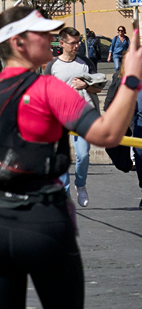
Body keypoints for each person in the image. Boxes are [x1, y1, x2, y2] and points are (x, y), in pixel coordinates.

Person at [0, 9, 141, 309]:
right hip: (42, 222)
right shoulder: (48, 89)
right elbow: (108, 134)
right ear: (18, 42)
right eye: (41, 33)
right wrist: (131, 80)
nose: (51, 39)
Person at [47, 27, 100, 207]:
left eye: (78, 42)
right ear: (61, 44)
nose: (76, 46)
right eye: (73, 43)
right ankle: (64, 191)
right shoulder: (52, 66)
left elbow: (97, 88)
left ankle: (81, 185)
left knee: (83, 155)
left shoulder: (86, 63)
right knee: (62, 156)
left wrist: (85, 85)